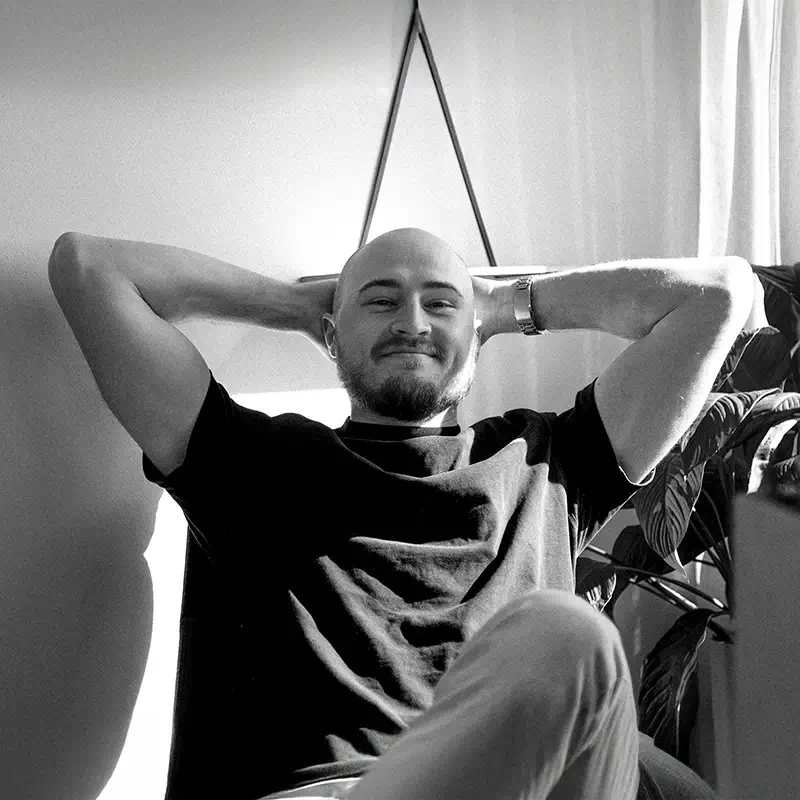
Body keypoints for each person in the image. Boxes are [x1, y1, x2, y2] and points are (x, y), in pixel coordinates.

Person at [48, 227, 752, 799]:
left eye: (441, 305)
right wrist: (295, 307)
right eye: (381, 302)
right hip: (323, 795)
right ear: (331, 333)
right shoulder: (249, 462)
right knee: (571, 636)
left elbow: (723, 293)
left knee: (574, 651)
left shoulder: (548, 464)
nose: (412, 322)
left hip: (515, 787)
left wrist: (506, 305)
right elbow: (89, 268)